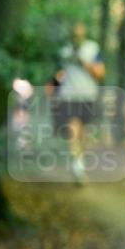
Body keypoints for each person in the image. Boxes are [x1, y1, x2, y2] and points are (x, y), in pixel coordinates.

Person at [48, 22, 105, 183]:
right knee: (73, 129)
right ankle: (77, 165)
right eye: (74, 33)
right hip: (68, 96)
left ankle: (80, 160)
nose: (77, 35)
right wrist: (53, 86)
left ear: (84, 33)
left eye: (79, 32)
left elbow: (99, 73)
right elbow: (59, 73)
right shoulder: (64, 50)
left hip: (87, 96)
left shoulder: (93, 48)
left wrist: (81, 61)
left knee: (82, 132)